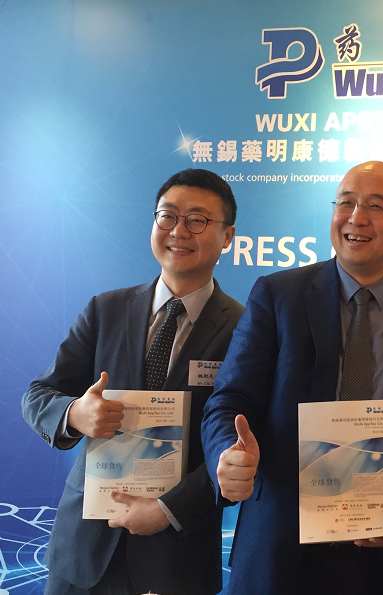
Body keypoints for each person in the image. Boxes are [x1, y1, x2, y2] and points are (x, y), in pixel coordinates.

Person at [201, 161, 383, 595]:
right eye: (346, 203)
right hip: (282, 548)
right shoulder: (278, 297)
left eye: (376, 207)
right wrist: (225, 454)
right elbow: (228, 400)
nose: (356, 218)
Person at [21, 168, 244, 595]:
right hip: (85, 549)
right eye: (167, 215)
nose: (179, 230)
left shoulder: (245, 328)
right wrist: (75, 413)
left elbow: (237, 443)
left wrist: (167, 508)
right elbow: (38, 395)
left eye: (197, 220)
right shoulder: (106, 310)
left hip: (176, 552)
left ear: (227, 237)